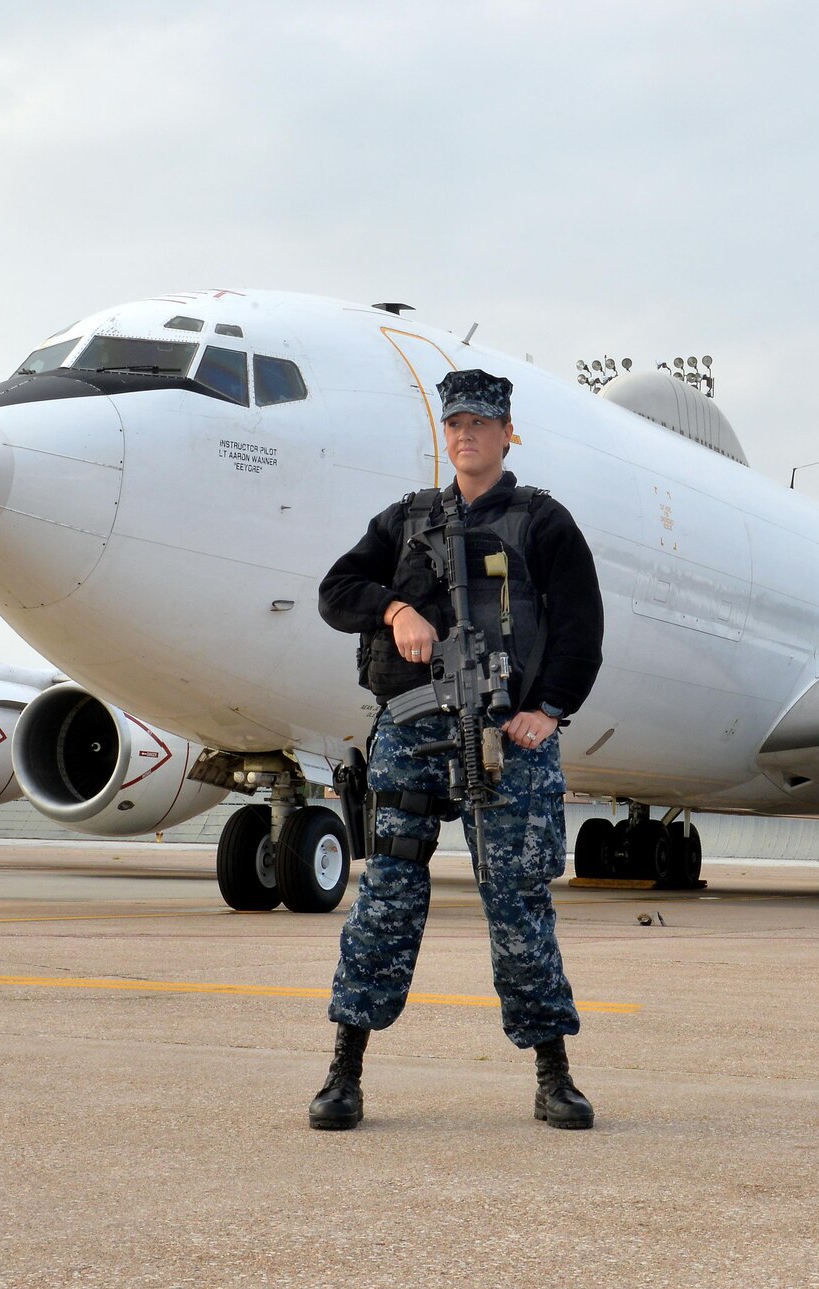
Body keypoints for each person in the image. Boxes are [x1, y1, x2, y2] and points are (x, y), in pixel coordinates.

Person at [309, 367, 604, 1131]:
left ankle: (554, 1074)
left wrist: (548, 710)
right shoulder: (406, 522)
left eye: (480, 423)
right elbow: (336, 590)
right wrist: (397, 605)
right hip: (411, 733)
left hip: (505, 736)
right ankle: (344, 1072)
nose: (465, 435)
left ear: (508, 434)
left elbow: (582, 629)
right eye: (455, 424)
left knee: (517, 902)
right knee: (385, 902)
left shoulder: (543, 523)